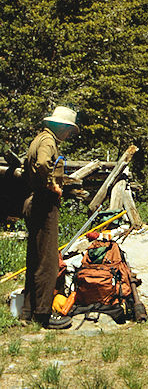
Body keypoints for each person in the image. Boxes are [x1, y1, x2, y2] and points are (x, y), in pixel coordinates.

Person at [21, 106, 79, 329]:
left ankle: (28, 311)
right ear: (60, 127)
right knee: (47, 262)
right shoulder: (48, 142)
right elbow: (44, 164)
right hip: (44, 203)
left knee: (34, 258)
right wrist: (52, 186)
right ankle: (44, 314)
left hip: (34, 201)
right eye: (68, 130)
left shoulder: (39, 138)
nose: (68, 134)